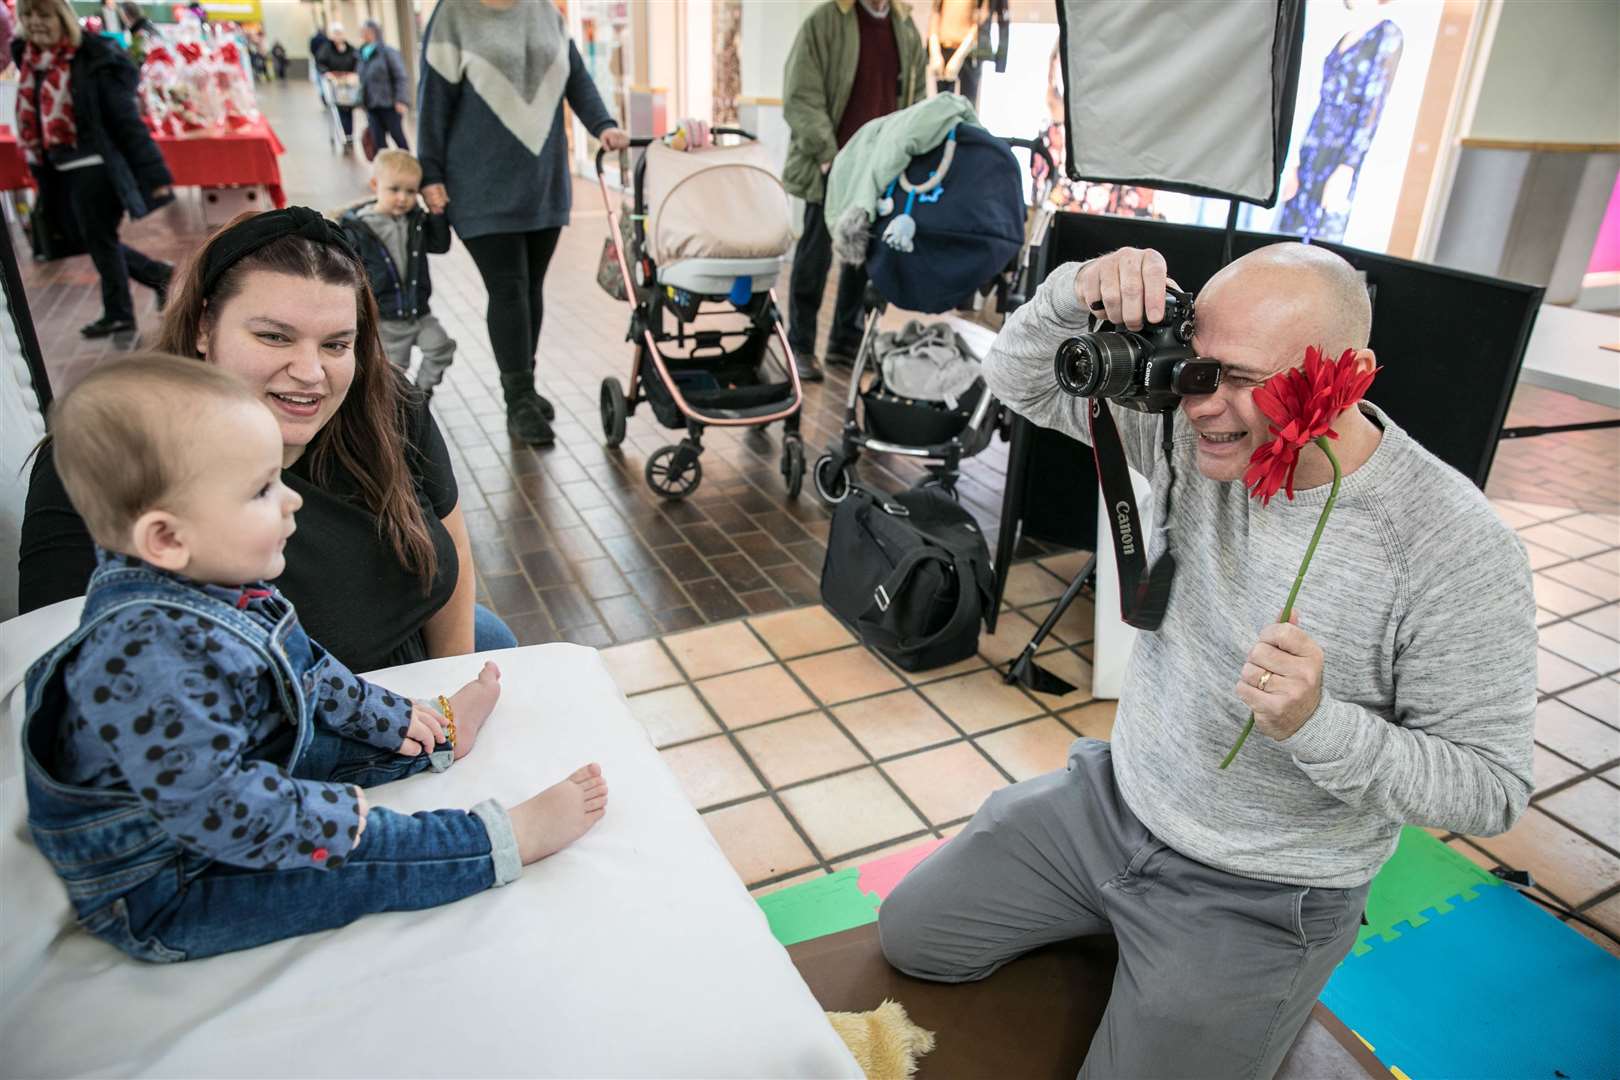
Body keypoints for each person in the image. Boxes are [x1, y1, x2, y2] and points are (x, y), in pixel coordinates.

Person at [877, 243, 1538, 1079]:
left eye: (1239, 377)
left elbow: (1491, 787)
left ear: (1353, 373)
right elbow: (1020, 379)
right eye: (1196, 365)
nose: (1198, 408)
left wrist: (1319, 727)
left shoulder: (1454, 547)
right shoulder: (1195, 424)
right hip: (1114, 804)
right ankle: (1147, 953)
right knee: (914, 936)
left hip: (1263, 890)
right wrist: (1070, 289)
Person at [23, 355, 608, 962]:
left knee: (321, 736)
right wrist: (335, 820)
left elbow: (310, 673)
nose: (290, 503)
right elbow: (218, 808)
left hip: (222, 777)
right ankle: (495, 840)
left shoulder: (219, 581)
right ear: (167, 538)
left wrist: (397, 717)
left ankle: (439, 736)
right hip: (175, 880)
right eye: (260, 491)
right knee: (364, 861)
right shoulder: (144, 666)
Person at [20, 207, 520, 671]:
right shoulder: (103, 459)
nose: (310, 372)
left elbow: (452, 548)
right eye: (274, 336)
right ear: (202, 327)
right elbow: (70, 673)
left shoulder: (387, 402)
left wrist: (451, 691)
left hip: (412, 663)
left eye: (335, 344)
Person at [416, 0, 629, 447]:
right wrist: (430, 173)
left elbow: (576, 78)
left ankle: (524, 385)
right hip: (479, 184)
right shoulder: (455, 14)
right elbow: (432, 100)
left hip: (542, 180)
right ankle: (518, 399)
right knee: (509, 287)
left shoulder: (546, 13)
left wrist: (603, 125)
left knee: (531, 287)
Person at [782, 0, 925, 383]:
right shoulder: (825, 22)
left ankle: (845, 341)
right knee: (814, 255)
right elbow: (801, 96)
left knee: (862, 254)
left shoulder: (905, 28)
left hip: (878, 168)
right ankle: (799, 344)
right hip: (829, 162)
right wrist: (828, 155)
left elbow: (915, 103)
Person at [14, 0, 174, 339]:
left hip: (96, 166)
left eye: (42, 15)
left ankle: (119, 313)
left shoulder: (93, 57)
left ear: (61, 17)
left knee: (99, 238)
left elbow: (124, 119)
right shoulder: (30, 59)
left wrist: (155, 175)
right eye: (27, 16)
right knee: (85, 237)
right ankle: (159, 275)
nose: (35, 23)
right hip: (57, 167)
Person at [340, 149, 456, 396]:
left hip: (419, 313)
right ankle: (396, 407)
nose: (403, 198)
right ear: (375, 185)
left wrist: (436, 214)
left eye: (411, 191)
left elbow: (440, 244)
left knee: (441, 348)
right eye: (394, 189)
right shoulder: (358, 229)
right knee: (393, 370)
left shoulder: (415, 221)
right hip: (387, 319)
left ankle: (421, 394)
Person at [357, 18, 409, 153]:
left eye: (364, 31)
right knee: (378, 140)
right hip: (372, 105)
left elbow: (400, 76)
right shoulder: (362, 54)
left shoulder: (387, 52)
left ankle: (409, 166)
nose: (362, 34)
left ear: (373, 32)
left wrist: (401, 100)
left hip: (389, 104)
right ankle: (384, 170)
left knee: (398, 137)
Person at [317, 23, 359, 150]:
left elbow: (357, 61)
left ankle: (349, 134)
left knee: (349, 108)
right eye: (335, 34)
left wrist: (354, 74)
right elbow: (321, 64)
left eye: (340, 33)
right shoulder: (326, 49)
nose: (338, 36)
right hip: (335, 83)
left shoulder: (350, 48)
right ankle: (344, 134)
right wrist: (327, 73)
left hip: (349, 82)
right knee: (340, 108)